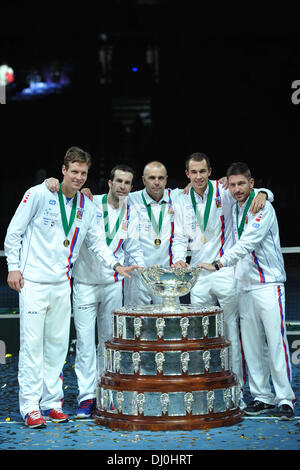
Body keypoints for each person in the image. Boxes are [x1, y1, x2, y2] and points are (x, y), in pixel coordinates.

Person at [4, 147, 139, 429]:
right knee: (32, 347)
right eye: (74, 171)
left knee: (57, 347)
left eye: (83, 173)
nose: (78, 177)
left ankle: (51, 403)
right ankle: (30, 406)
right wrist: (13, 267)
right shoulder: (39, 194)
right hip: (33, 282)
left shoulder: (87, 207)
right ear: (63, 170)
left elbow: (97, 243)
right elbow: (14, 232)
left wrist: (116, 265)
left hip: (62, 284)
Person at [172, 152, 274, 399]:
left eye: (203, 171)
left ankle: (236, 390)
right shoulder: (180, 198)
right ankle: (203, 387)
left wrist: (265, 193)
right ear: (187, 174)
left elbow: (251, 191)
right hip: (198, 273)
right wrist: (177, 258)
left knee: (231, 333)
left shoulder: (224, 190)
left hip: (224, 270)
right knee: (201, 335)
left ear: (210, 171)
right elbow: (178, 237)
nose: (198, 176)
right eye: (193, 172)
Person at [200, 162, 296, 420]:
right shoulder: (235, 205)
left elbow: (247, 243)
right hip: (244, 285)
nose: (237, 189)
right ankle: (262, 396)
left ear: (252, 184)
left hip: (268, 284)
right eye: (232, 185)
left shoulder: (262, 207)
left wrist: (218, 263)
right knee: (251, 345)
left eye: (242, 184)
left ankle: (285, 399)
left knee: (275, 342)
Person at [70, 164, 144, 418]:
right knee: (85, 344)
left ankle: (106, 393)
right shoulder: (89, 203)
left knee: (109, 343)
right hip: (85, 284)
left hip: (114, 283)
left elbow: (133, 248)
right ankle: (86, 396)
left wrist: (145, 269)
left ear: (131, 187)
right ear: (110, 183)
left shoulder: (132, 213)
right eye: (119, 181)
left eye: (127, 183)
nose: (123, 186)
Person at [123, 161, 183, 306]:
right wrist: (86, 190)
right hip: (138, 274)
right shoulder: (131, 198)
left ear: (166, 179)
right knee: (137, 323)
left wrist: (223, 181)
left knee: (169, 323)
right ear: (144, 180)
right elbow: (107, 198)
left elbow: (199, 187)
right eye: (152, 178)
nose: (157, 182)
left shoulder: (176, 196)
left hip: (167, 274)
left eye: (161, 178)